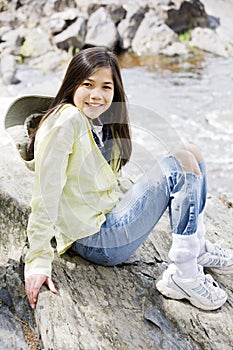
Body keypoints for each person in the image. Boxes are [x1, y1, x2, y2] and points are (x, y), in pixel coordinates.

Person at [20, 46, 232, 311]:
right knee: (181, 162)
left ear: (115, 90)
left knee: (191, 152)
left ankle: (196, 247)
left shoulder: (93, 121)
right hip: (97, 240)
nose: (97, 95)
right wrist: (38, 260)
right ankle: (184, 274)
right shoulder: (67, 121)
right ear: (73, 83)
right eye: (88, 84)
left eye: (106, 87)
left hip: (105, 220)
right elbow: (44, 193)